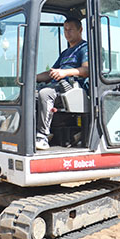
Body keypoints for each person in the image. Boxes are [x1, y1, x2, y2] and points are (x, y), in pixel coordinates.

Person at [35, 18, 88, 150]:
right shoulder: (65, 53)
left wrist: (65, 73)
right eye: (65, 29)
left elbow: (86, 70)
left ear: (80, 30)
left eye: (70, 29)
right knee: (30, 94)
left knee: (45, 94)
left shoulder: (84, 48)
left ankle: (42, 136)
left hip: (73, 88)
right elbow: (51, 73)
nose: (67, 33)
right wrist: (33, 77)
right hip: (58, 86)